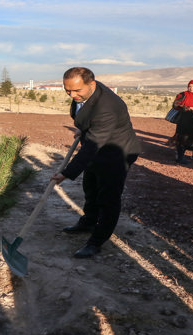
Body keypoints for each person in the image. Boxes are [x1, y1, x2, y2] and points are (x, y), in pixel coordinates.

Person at [52, 67, 141, 259]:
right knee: (90, 188)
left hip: (116, 153)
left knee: (108, 198)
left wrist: (66, 173)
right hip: (98, 146)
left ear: (91, 84)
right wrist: (83, 129)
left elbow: (92, 146)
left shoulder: (107, 107)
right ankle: (88, 222)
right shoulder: (86, 92)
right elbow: (86, 119)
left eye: (77, 91)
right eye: (67, 90)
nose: (72, 95)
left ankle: (97, 241)